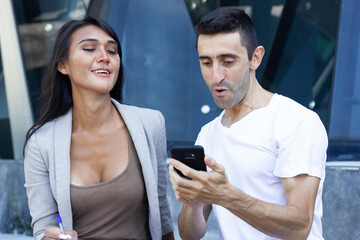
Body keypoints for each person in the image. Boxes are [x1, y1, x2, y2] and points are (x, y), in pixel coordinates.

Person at [169, 7, 328, 240]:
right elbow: (190, 235)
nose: (216, 76)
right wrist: (192, 200)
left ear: (255, 58)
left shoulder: (296, 121)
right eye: (206, 62)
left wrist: (225, 195)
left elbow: (299, 226)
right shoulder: (208, 134)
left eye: (228, 61)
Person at [24, 16, 174, 240]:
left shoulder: (150, 124)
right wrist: (50, 237)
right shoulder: (41, 142)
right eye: (89, 48)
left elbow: (162, 214)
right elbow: (42, 226)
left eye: (112, 51)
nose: (104, 57)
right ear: (63, 65)